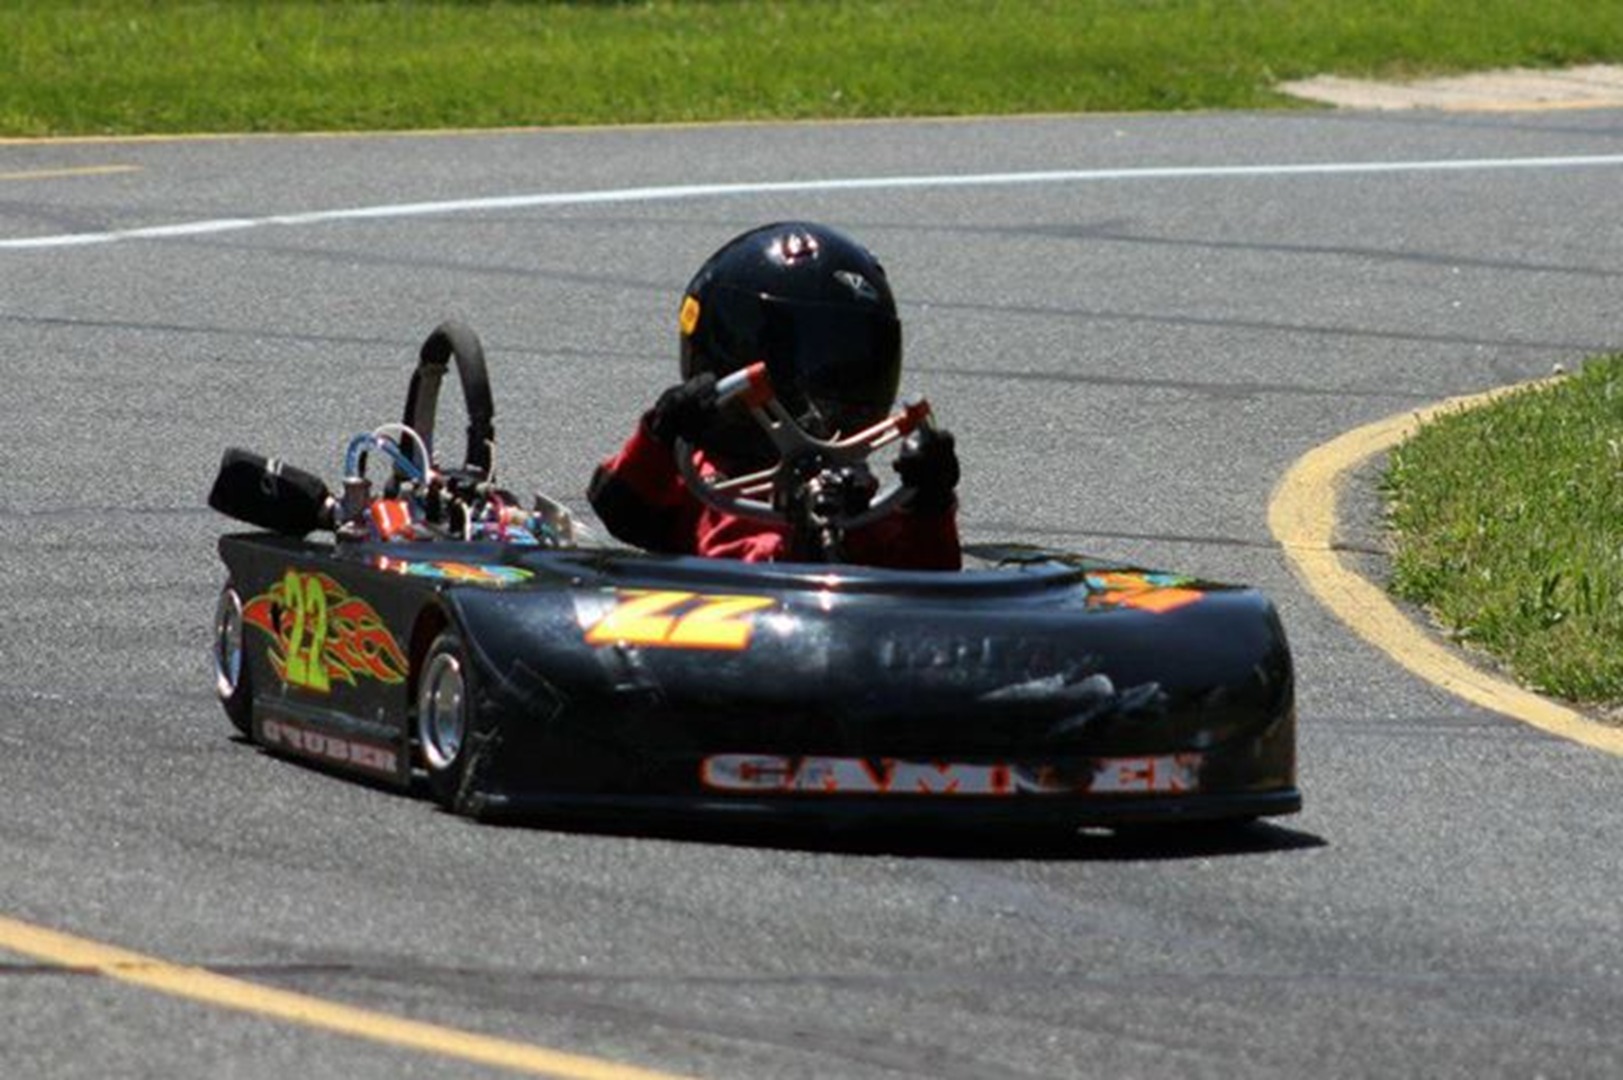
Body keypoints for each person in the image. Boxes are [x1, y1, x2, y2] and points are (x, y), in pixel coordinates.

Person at [588, 221, 961, 568]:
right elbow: (622, 507)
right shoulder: (705, 480)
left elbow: (927, 574)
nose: (825, 407)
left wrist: (930, 503)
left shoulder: (849, 496)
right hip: (724, 618)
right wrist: (660, 432)